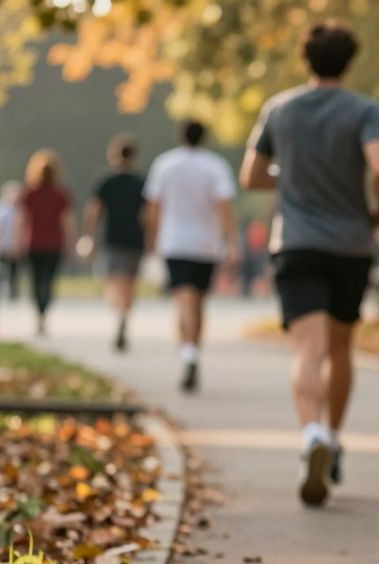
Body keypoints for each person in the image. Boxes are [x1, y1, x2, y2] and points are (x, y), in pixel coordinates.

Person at [239, 21, 379, 506]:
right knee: (342, 345)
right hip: (351, 244)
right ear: (348, 62)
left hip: (297, 242)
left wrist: (290, 177)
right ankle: (333, 434)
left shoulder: (279, 109)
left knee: (307, 347)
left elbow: (251, 176)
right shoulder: (365, 110)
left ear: (306, 60)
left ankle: (310, 435)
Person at [144, 120, 240, 393]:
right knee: (198, 302)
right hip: (206, 245)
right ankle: (193, 351)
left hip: (175, 242)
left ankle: (187, 352)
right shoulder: (216, 166)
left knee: (183, 300)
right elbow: (224, 207)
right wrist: (232, 241)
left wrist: (152, 239)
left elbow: (154, 207)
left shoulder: (165, 164)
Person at [81, 134, 147, 352]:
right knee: (129, 282)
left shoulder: (106, 181)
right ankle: (124, 314)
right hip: (136, 239)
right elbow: (149, 214)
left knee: (114, 280)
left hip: (112, 239)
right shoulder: (141, 182)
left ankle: (119, 313)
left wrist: (89, 236)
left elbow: (94, 210)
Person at [17, 150, 75, 335]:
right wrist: (70, 243)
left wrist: (17, 242)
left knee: (36, 281)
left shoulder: (29, 193)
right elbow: (67, 221)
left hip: (33, 243)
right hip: (53, 244)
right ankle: (44, 312)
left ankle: (39, 313)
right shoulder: (60, 194)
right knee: (48, 281)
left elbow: (22, 221)